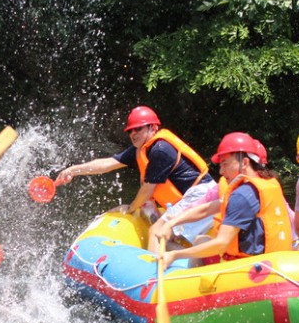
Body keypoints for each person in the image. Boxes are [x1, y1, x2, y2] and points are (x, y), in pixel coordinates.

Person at [54, 105, 215, 251]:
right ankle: (193, 255)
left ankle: (164, 267)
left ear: (153, 127)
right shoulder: (141, 149)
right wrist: (74, 170)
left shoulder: (160, 150)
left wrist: (130, 208)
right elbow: (108, 163)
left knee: (157, 233)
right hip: (193, 197)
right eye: (130, 131)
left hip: (201, 196)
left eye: (138, 129)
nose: (133, 134)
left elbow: (147, 191)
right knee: (153, 219)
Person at [155, 132, 292, 267]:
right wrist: (172, 222)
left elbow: (221, 243)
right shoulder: (265, 183)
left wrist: (174, 255)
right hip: (275, 262)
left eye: (225, 164)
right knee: (202, 240)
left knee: (203, 243)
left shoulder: (243, 195)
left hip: (250, 269)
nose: (221, 171)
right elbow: (207, 209)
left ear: (244, 163)